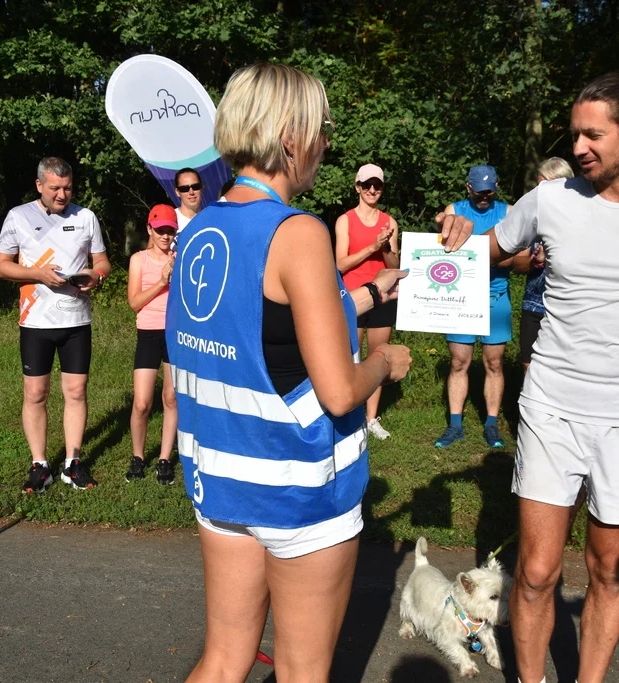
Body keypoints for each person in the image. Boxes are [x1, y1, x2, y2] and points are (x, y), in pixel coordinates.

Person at [438, 72, 619, 683]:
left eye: (594, 134)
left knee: (610, 569)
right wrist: (454, 233)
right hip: (552, 405)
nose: (580, 147)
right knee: (537, 571)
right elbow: (482, 252)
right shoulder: (551, 200)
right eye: (575, 134)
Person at [166, 63, 411, 683]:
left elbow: (266, 327)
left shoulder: (199, 228)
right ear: (291, 137)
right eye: (323, 128)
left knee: (224, 659)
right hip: (299, 484)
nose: (326, 143)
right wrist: (385, 362)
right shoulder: (298, 232)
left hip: (220, 476)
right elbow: (337, 390)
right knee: (305, 671)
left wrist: (367, 295)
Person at [0, 156, 111, 493]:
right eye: (56, 188)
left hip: (76, 320)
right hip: (35, 321)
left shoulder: (86, 217)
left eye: (68, 188)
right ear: (39, 185)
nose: (62, 195)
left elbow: (103, 263)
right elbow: (0, 267)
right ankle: (40, 464)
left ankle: (73, 463)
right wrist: (37, 274)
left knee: (76, 391)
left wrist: (96, 276)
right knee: (36, 393)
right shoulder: (19, 216)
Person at [434, 165, 514, 450]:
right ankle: (455, 425)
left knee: (494, 363)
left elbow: (518, 258)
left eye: (490, 190)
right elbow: (442, 251)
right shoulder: (454, 210)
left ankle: (491, 424)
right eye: (480, 191)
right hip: (461, 299)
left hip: (495, 298)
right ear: (468, 188)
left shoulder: (508, 212)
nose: (485, 196)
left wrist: (480, 255)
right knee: (459, 363)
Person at [335, 163, 400, 439]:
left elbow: (394, 263)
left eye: (378, 185)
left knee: (379, 356)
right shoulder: (345, 220)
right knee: (350, 356)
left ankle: (371, 418)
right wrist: (372, 247)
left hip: (384, 299)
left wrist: (385, 247)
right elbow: (340, 264)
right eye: (367, 185)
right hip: (354, 298)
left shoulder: (390, 222)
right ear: (358, 187)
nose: (372, 190)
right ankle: (348, 415)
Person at [125, 204, 179, 485]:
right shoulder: (139, 260)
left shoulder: (181, 257)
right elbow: (134, 303)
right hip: (148, 332)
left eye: (170, 230)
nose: (165, 236)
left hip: (174, 333)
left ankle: (165, 458)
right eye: (160, 231)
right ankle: (138, 456)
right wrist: (161, 281)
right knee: (142, 402)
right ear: (149, 229)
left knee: (171, 398)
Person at [512, 158, 575, 376]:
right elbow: (517, 265)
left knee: (562, 370)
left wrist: (554, 257)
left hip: (569, 308)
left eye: (545, 187)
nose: (539, 193)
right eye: (537, 186)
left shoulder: (582, 218)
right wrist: (534, 261)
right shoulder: (532, 218)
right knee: (529, 365)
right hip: (534, 305)